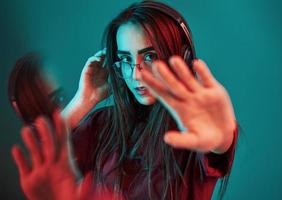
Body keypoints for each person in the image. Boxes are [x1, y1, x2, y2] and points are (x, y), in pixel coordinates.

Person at [62, 1, 239, 199]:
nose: (136, 75)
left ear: (183, 57)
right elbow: (37, 162)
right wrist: (83, 100)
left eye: (150, 57)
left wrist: (222, 136)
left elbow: (217, 141)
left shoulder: (193, 130)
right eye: (126, 60)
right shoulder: (102, 123)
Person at [8, 54, 117, 200]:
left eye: (58, 98)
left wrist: (86, 99)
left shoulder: (99, 127)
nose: (57, 111)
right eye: (42, 105)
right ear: (20, 111)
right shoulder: (38, 177)